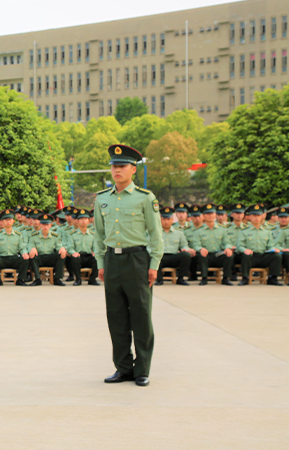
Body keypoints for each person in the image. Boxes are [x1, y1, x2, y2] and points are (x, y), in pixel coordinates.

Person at [94, 144, 162, 388]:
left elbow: (156, 235)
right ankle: (123, 368)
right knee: (116, 317)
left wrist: (153, 264)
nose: (117, 170)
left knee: (141, 315)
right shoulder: (102, 198)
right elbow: (98, 235)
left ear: (133, 169)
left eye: (122, 166)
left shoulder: (145, 198)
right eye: (113, 166)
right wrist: (101, 262)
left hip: (137, 260)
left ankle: (142, 369)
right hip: (112, 260)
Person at [188, 203, 235, 286]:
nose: (210, 216)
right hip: (206, 256)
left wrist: (228, 248)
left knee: (229, 255)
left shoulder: (222, 230)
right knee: (201, 256)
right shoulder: (198, 231)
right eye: (207, 214)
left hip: (218, 255)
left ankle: (225, 278)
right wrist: (200, 249)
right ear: (203, 216)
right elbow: (195, 244)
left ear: (215, 215)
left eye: (212, 213)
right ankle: (204, 278)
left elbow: (227, 242)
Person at [236, 204, 283, 286]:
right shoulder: (244, 231)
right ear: (250, 217)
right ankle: (245, 278)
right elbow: (240, 246)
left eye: (258, 215)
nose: (256, 218)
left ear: (262, 216)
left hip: (263, 256)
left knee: (277, 256)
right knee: (245, 256)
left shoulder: (267, 231)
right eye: (254, 215)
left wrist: (274, 249)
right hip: (251, 256)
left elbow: (270, 245)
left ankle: (272, 278)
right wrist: (245, 250)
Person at [0, 209, 29, 286]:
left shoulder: (18, 235)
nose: (8, 222)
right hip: (2, 258)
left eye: (10, 219)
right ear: (2, 221)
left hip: (14, 258)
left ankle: (20, 279)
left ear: (13, 221)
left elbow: (22, 248)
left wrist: (24, 253)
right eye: (6, 220)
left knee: (25, 259)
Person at [156, 206, 194, 285]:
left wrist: (185, 249)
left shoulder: (178, 232)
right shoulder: (155, 232)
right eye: (164, 219)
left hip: (174, 256)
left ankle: (181, 278)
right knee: (152, 256)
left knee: (186, 255)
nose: (166, 221)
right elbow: (150, 246)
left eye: (168, 219)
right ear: (160, 220)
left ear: (172, 220)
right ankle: (159, 279)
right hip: (160, 257)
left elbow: (184, 245)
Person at [26, 214, 68, 286]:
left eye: (47, 224)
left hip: (50, 257)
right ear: (40, 225)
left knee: (61, 254)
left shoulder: (55, 236)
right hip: (40, 257)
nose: (45, 227)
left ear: (50, 225)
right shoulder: (34, 236)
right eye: (43, 224)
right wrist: (32, 249)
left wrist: (62, 248)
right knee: (32, 255)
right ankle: (37, 279)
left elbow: (59, 246)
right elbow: (30, 245)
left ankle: (57, 278)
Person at [66, 209, 100, 286]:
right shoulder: (73, 235)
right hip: (79, 256)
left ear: (89, 220)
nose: (83, 221)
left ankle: (92, 279)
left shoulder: (92, 235)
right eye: (81, 219)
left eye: (85, 219)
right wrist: (73, 252)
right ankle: (78, 279)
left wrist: (95, 252)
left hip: (89, 256)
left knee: (98, 258)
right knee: (74, 259)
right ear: (77, 221)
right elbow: (70, 248)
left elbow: (95, 247)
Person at [275, 207, 289, 285]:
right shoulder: (273, 230)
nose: (284, 219)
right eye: (281, 217)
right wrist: (282, 249)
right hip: (283, 254)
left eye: (285, 217)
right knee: (286, 254)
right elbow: (276, 244)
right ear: (278, 218)